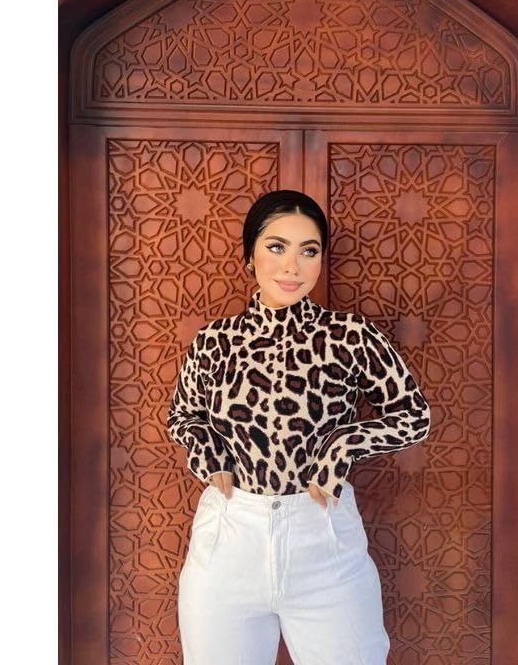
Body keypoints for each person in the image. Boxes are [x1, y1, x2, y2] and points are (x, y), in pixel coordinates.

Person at [167, 189, 432, 664]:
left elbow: (414, 415)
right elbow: (183, 414)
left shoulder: (350, 337)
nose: (293, 266)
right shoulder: (214, 342)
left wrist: (343, 445)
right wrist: (206, 449)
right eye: (276, 247)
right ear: (250, 255)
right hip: (230, 533)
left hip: (323, 535)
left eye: (309, 250)